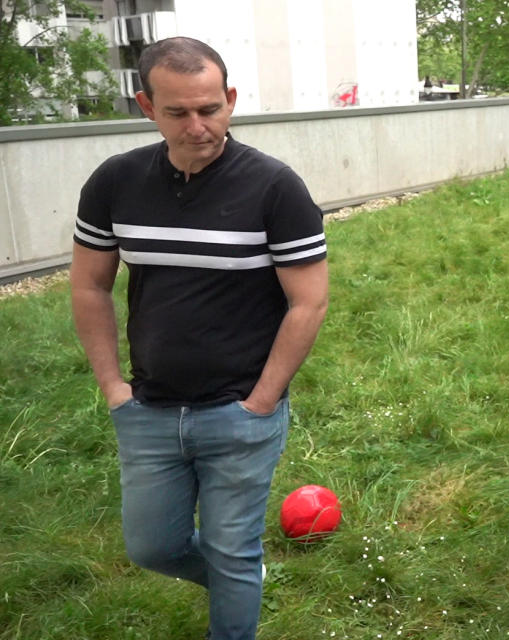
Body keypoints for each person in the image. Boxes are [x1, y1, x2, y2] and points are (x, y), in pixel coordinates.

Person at [70, 37, 328, 640]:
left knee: (232, 548)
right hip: (148, 410)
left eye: (210, 109)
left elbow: (308, 301)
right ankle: (238, 579)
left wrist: (261, 401)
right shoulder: (114, 183)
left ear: (231, 100)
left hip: (239, 411)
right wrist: (114, 388)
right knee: (152, 547)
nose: (197, 126)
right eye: (177, 112)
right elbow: (88, 288)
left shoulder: (275, 188)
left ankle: (236, 583)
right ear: (145, 106)